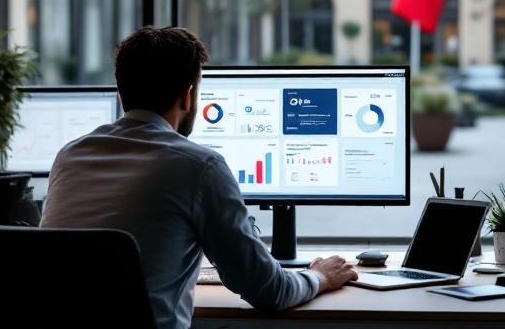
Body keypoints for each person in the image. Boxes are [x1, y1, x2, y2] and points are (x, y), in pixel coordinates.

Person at [41, 27, 357, 329]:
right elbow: (269, 291)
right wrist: (320, 276)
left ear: (122, 94)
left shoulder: (69, 156)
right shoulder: (199, 166)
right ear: (188, 96)